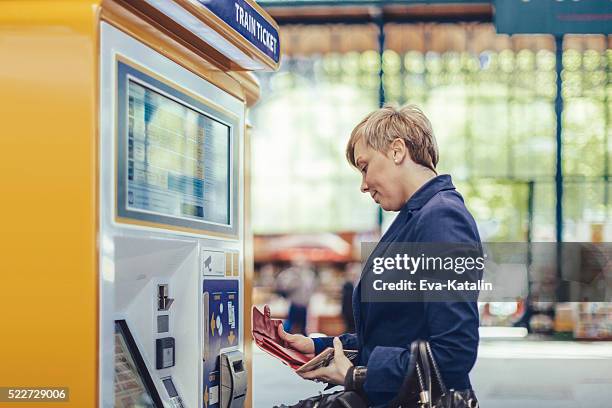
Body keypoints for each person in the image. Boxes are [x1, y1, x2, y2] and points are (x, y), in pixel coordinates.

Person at [277, 105, 481, 407]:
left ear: (397, 151)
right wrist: (320, 346)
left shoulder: (442, 219)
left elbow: (453, 352)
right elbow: (399, 333)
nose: (363, 185)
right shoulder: (415, 218)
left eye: (364, 166)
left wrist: (358, 376)